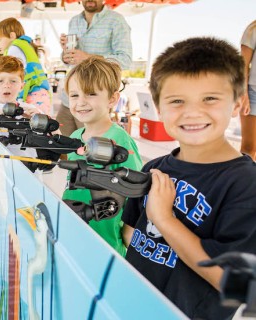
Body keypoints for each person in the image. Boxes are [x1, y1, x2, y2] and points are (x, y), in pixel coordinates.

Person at [121, 37, 256, 319]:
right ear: (159, 107)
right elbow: (131, 233)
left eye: (210, 98)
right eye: (177, 101)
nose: (192, 112)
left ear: (238, 104)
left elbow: (231, 281)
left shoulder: (246, 184)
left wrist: (165, 220)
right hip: (130, 304)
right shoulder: (155, 167)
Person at [62, 56, 142, 256]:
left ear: (112, 99)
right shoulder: (75, 137)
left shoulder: (120, 141)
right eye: (74, 95)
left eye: (91, 94)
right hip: (74, 232)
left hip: (106, 242)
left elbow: (137, 194)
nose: (81, 102)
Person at [55, 0, 132, 137]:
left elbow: (125, 60)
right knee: (61, 147)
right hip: (69, 99)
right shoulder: (74, 21)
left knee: (92, 151)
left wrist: (87, 57)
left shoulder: (116, 20)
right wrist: (65, 55)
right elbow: (72, 58)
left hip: (93, 101)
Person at [0, 17, 51, 115]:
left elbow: (11, 74)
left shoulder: (14, 48)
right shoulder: (23, 45)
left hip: (32, 93)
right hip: (39, 92)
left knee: (33, 124)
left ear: (12, 35)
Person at [241, 20, 256, 160]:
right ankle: (244, 181)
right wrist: (243, 94)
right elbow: (243, 64)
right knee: (249, 150)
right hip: (253, 95)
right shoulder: (254, 28)